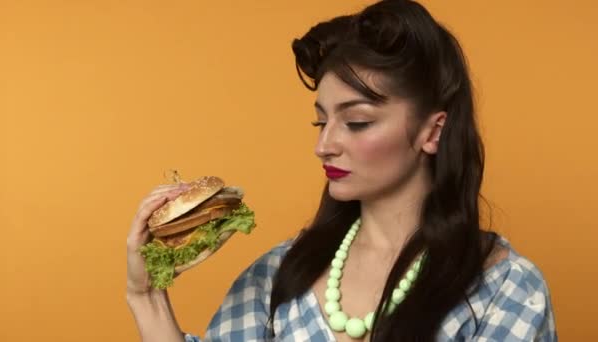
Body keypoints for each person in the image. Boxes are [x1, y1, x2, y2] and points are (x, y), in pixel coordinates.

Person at [126, 0, 557, 341]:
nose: (323, 145)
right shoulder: (280, 273)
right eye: (320, 121)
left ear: (433, 131)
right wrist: (146, 295)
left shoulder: (506, 290)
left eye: (357, 122)